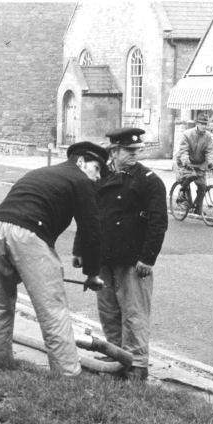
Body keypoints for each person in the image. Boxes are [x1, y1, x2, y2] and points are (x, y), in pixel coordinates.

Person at [0, 141, 107, 376]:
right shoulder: (81, 181)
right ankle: (67, 375)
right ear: (81, 162)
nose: (98, 177)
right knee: (52, 307)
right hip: (30, 234)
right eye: (97, 168)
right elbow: (91, 229)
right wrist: (92, 273)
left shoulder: (41, 173)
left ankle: (0, 367)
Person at [75, 127, 167, 381]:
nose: (134, 155)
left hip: (133, 259)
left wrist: (148, 258)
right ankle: (115, 355)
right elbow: (88, 215)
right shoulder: (99, 177)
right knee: (108, 309)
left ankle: (137, 363)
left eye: (137, 150)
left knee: (134, 312)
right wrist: (80, 250)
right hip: (103, 255)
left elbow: (158, 222)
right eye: (128, 151)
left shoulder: (149, 180)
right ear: (114, 151)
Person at [175, 115, 213, 214]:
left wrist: (210, 163)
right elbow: (183, 151)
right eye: (202, 124)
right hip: (186, 163)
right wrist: (186, 163)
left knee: (202, 187)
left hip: (199, 164)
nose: (204, 126)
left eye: (206, 124)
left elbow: (209, 151)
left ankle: (198, 208)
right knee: (189, 177)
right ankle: (181, 194)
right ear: (197, 124)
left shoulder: (208, 136)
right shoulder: (187, 134)